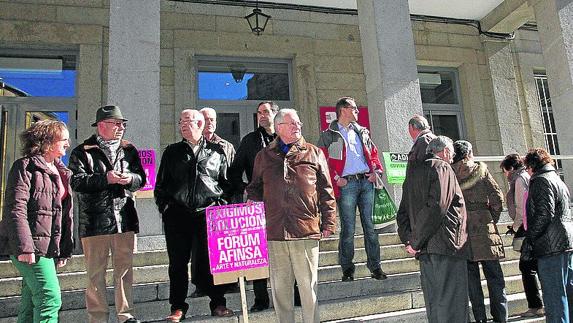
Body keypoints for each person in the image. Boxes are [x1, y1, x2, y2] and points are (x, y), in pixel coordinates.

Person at [246, 108, 336, 323]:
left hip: (305, 230)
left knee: (308, 287)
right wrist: (251, 201)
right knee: (280, 289)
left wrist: (329, 222)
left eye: (298, 123)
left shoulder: (314, 152)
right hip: (275, 232)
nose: (298, 126)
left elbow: (326, 190)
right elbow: (255, 187)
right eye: (292, 123)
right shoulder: (263, 156)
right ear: (279, 128)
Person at [155, 109, 234, 322]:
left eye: (187, 121)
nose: (182, 124)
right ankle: (178, 307)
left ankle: (217, 303)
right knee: (178, 264)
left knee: (211, 262)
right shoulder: (172, 152)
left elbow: (227, 184)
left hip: (208, 215)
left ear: (200, 124)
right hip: (177, 216)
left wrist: (220, 206)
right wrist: (166, 208)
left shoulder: (217, 151)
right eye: (180, 121)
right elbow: (160, 185)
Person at [69, 105, 146, 323]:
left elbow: (141, 178)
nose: (121, 127)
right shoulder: (82, 151)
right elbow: (76, 181)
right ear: (101, 126)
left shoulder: (129, 149)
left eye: (123, 124)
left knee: (124, 271)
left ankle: (126, 315)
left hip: (124, 218)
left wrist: (130, 179)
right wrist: (106, 179)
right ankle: (98, 317)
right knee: (96, 274)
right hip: (95, 222)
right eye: (117, 123)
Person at [0, 120, 73, 323]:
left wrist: (62, 249)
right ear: (47, 141)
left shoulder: (60, 171)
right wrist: (25, 248)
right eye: (64, 140)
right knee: (49, 298)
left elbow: (62, 213)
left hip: (47, 247)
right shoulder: (25, 167)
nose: (68, 144)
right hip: (29, 247)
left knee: (30, 303)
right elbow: (16, 209)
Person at [396, 136, 469, 323]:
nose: (452, 157)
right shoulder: (442, 167)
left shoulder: (413, 172)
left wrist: (410, 241)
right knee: (451, 303)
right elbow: (437, 207)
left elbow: (403, 211)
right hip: (446, 245)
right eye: (451, 152)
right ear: (444, 151)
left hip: (426, 248)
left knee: (435, 302)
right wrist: (415, 241)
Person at [317, 96, 386, 282]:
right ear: (344, 110)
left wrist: (376, 171)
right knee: (348, 229)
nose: (357, 111)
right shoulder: (328, 134)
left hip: (366, 182)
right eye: (354, 108)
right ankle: (347, 269)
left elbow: (373, 153)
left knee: (370, 228)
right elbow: (322, 162)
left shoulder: (362, 131)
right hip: (346, 185)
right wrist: (336, 179)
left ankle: (375, 267)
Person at [451, 140, 507, 323]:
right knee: (495, 279)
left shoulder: (449, 173)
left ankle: (480, 319)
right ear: (468, 154)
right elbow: (497, 196)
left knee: (472, 282)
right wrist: (491, 217)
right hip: (484, 226)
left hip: (463, 229)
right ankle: (500, 318)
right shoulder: (481, 170)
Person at [228, 101, 276, 311]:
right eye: (259, 113)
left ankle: (295, 295)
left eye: (266, 112)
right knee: (257, 252)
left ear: (276, 114)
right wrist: (246, 188)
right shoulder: (249, 141)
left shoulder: (287, 138)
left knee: (286, 250)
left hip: (285, 204)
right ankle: (260, 299)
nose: (262, 116)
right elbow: (234, 172)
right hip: (257, 204)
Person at [523, 148, 573, 323]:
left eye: (527, 168)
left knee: (554, 295)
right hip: (564, 242)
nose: (527, 172)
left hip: (550, 245)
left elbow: (544, 214)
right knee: (566, 292)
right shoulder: (556, 179)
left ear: (532, 166)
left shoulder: (541, 181)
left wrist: (530, 238)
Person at [500, 153, 544, 318]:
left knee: (527, 267)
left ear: (510, 168)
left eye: (504, 170)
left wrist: (516, 225)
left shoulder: (519, 180)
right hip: (532, 227)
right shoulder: (525, 177)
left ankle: (535, 305)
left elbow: (521, 207)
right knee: (535, 266)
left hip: (527, 228)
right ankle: (539, 304)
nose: (505, 174)